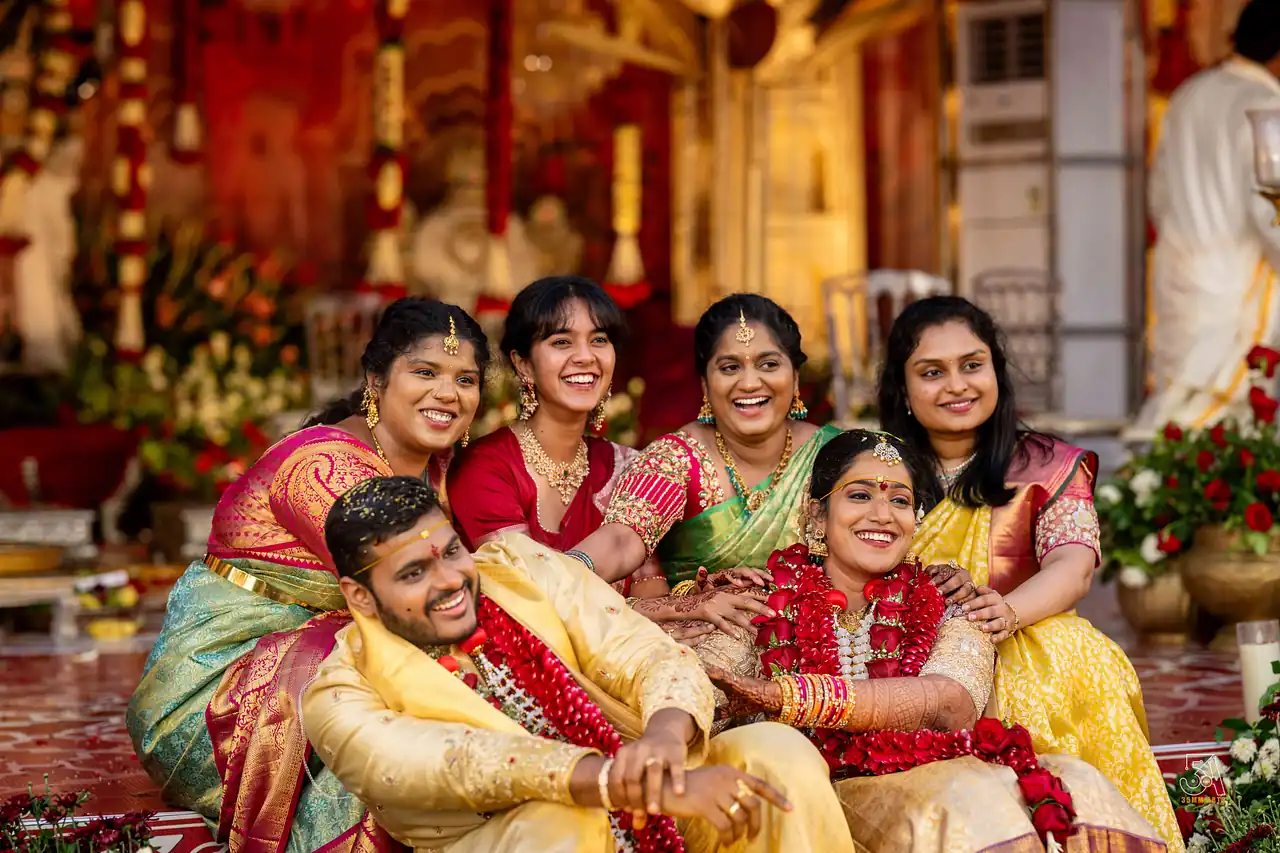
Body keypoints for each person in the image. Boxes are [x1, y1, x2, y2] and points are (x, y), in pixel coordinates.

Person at [301, 475, 855, 853]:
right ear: (360, 596)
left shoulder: (518, 567)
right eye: (413, 574)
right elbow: (462, 762)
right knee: (562, 823)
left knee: (775, 753)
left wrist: (665, 738)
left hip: (647, 786)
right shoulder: (340, 694)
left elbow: (642, 650)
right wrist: (625, 784)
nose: (449, 581)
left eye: (450, 552)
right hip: (521, 836)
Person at [126, 298, 489, 853]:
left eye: (465, 379)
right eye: (425, 372)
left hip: (328, 669)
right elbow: (414, 596)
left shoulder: (435, 469)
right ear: (376, 380)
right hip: (218, 699)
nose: (448, 393)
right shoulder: (323, 468)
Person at [707, 430, 1168, 852]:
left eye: (900, 500)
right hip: (817, 802)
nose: (882, 515)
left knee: (1081, 783)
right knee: (962, 802)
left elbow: (950, 703)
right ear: (817, 512)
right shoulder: (760, 600)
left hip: (930, 772)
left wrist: (789, 696)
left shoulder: (948, 600)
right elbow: (703, 690)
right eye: (860, 495)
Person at [877, 295, 1182, 849]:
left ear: (996, 369)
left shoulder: (1046, 464)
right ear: (902, 387)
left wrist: (1006, 611)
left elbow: (1074, 563)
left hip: (1023, 641)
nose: (956, 385)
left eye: (972, 365)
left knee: (1075, 650)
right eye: (932, 372)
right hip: (911, 655)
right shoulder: (876, 471)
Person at [572, 294, 841, 638]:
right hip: (699, 651)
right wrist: (561, 572)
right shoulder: (675, 458)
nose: (749, 383)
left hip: (824, 646)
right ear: (704, 384)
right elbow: (622, 540)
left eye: (769, 364)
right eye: (729, 367)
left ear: (796, 377)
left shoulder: (836, 455)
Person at [1142, 0, 1280, 429]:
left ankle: (1146, 470)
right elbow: (1272, 210)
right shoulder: (1267, 107)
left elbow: (1158, 195)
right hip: (1235, 286)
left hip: (1180, 277)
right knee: (1218, 416)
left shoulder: (1189, 95)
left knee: (1179, 404)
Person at [448, 276, 635, 556]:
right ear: (524, 365)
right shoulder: (486, 468)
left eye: (599, 340)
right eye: (562, 342)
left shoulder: (625, 467)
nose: (586, 357)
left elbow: (651, 578)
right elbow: (526, 577)